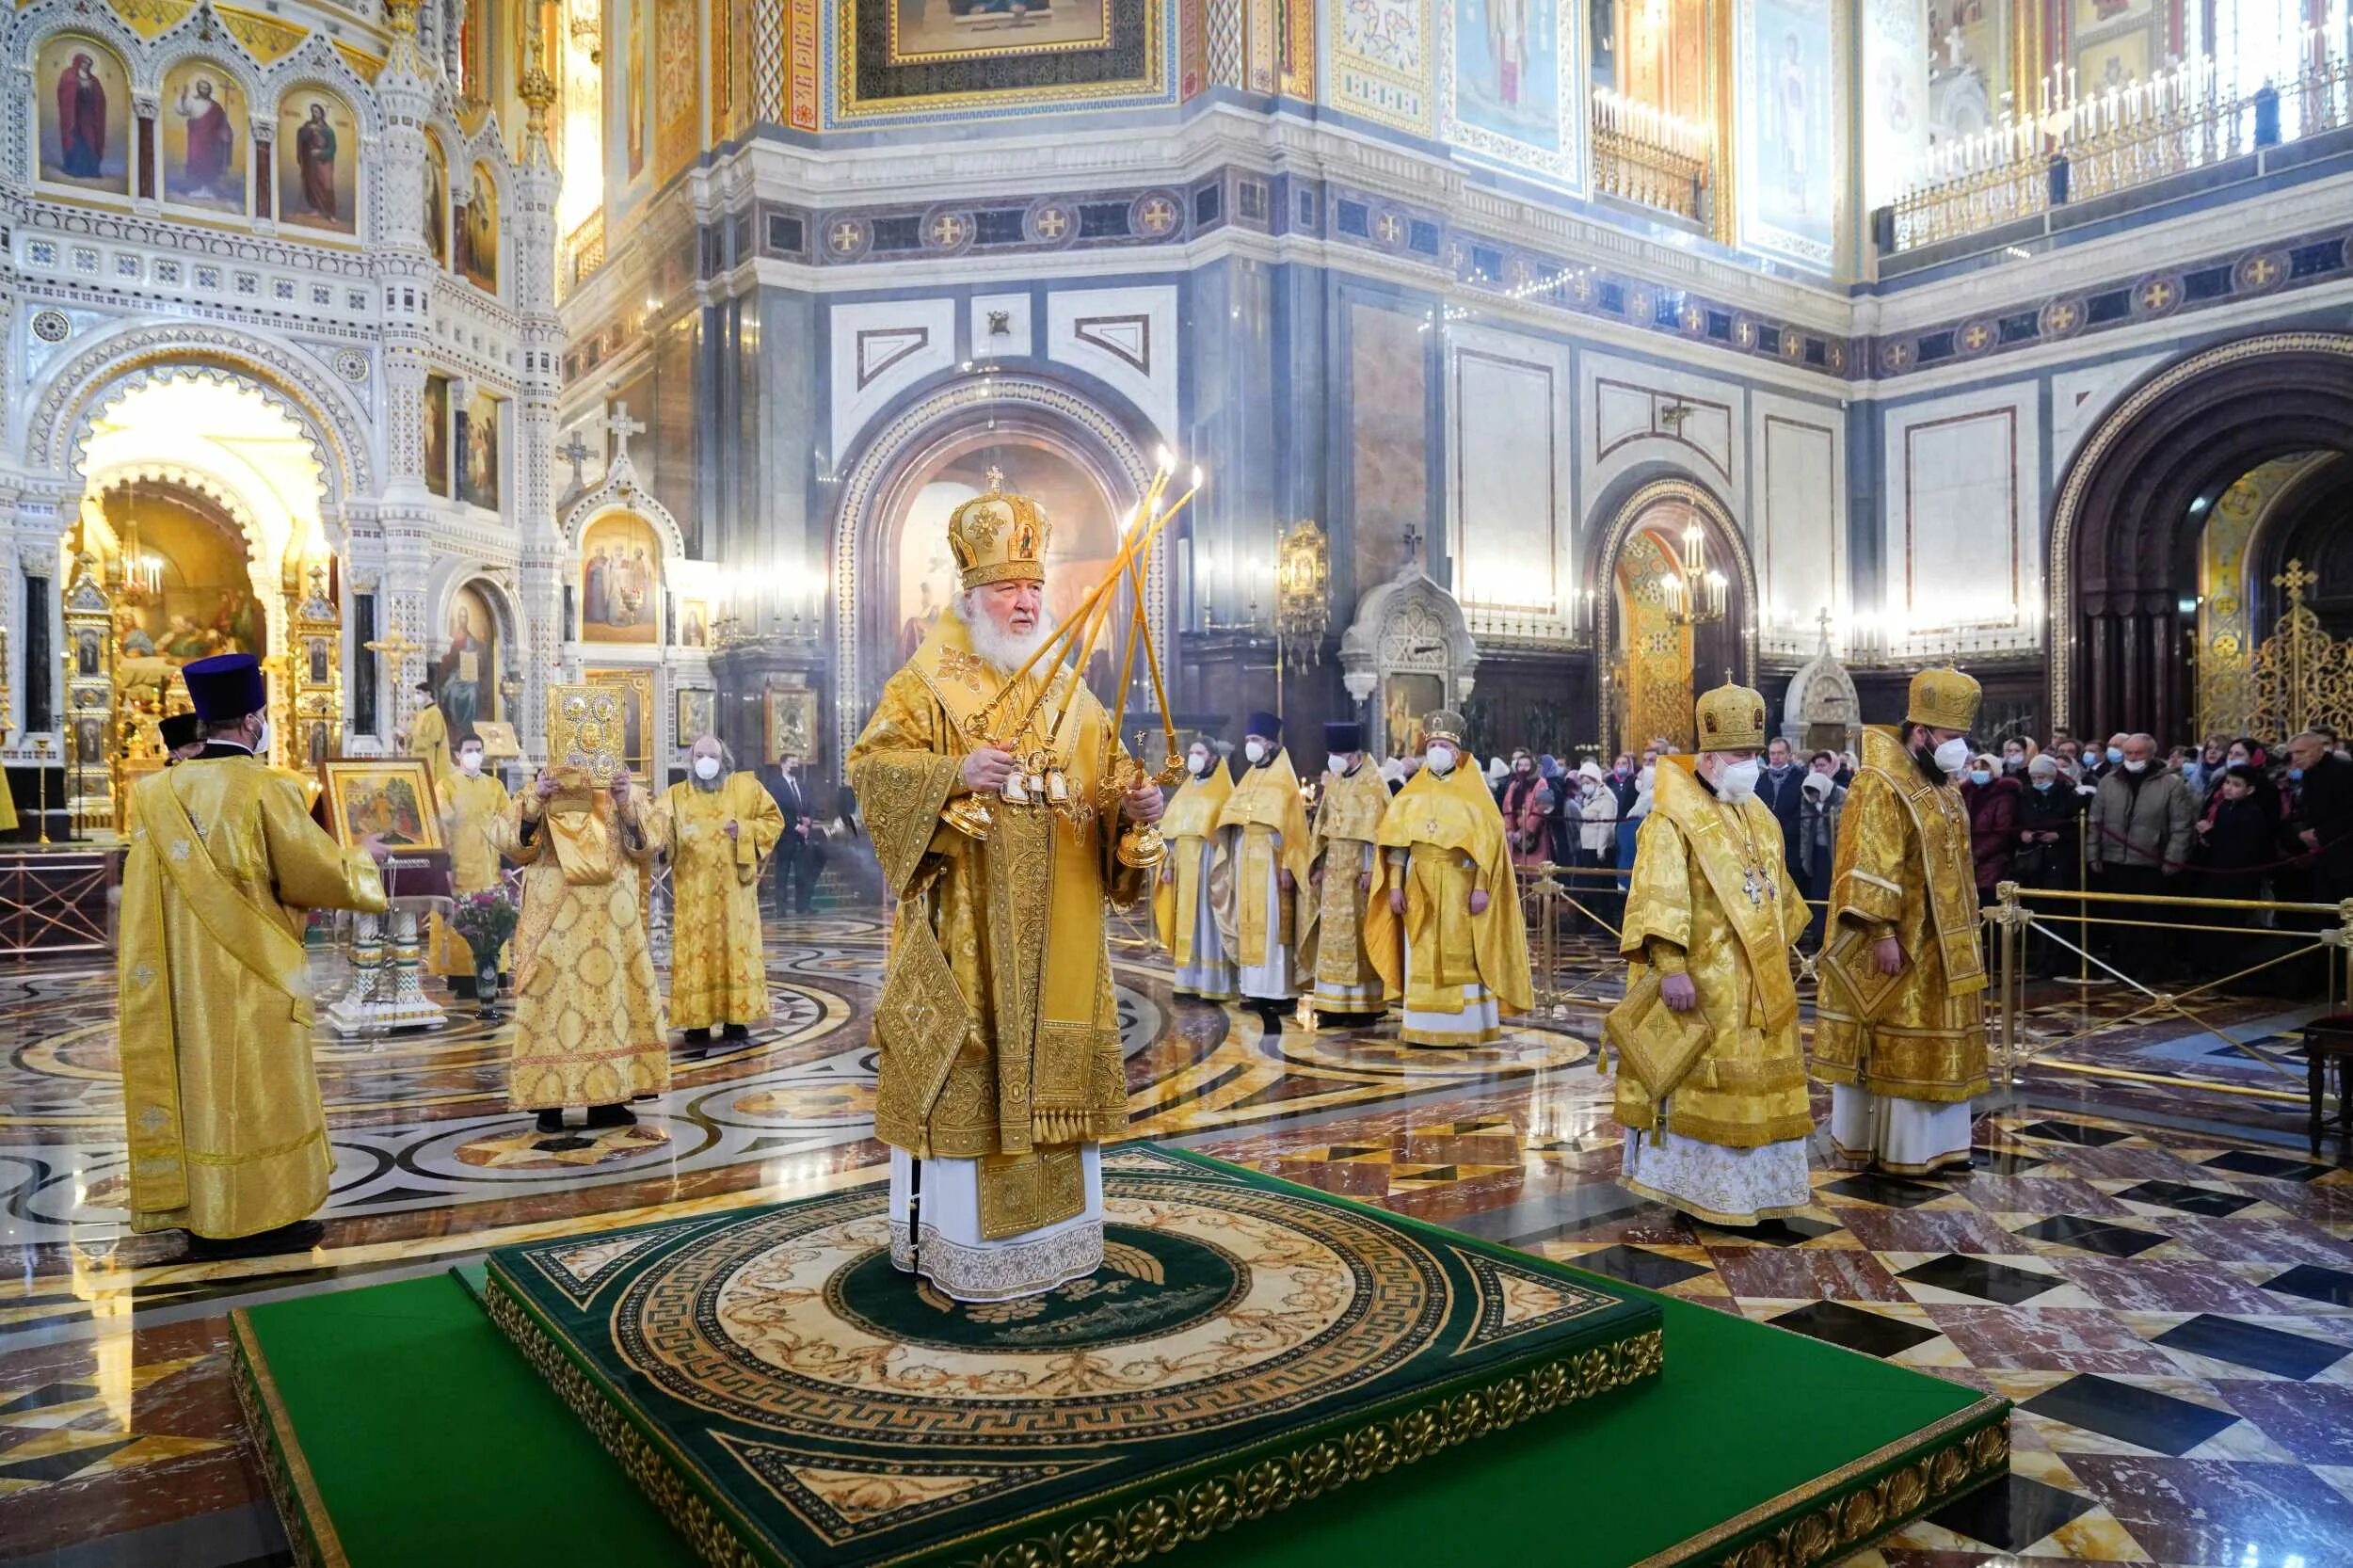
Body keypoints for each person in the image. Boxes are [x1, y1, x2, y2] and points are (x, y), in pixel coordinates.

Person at [845, 475, 1161, 1302]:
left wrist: (1136, 809)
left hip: (1062, 942)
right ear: (974, 595)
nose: (1025, 603)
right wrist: (954, 771)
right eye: (1007, 588)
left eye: (1033, 586)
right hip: (969, 938)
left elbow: (1108, 803)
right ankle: (965, 1250)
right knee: (971, 1071)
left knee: (1055, 1087)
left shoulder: (1071, 693)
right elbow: (872, 769)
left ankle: (1059, 1245)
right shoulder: (926, 683)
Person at [116, 653, 389, 1258]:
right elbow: (312, 874)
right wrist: (360, 857)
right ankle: (260, 1218)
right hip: (255, 973)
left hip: (181, 979)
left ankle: (202, 1211)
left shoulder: (157, 793)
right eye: (261, 714)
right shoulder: (266, 788)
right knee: (258, 1092)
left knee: (200, 1089)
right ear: (248, 721)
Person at [1611, 682, 1814, 1226]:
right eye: (1741, 756)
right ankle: (1705, 1191)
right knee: (1705, 1085)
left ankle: (1760, 1192)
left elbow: (1777, 893)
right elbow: (1658, 893)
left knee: (1761, 1085)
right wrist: (1671, 966)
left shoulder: (1760, 816)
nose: (1751, 764)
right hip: (1703, 984)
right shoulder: (1672, 818)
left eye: (1755, 753)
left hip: (1762, 982)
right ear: (1708, 757)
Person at [1812, 668, 1989, 1176]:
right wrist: (1882, 934)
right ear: (1922, 732)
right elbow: (1868, 863)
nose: (1959, 746)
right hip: (1901, 940)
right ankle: (1901, 1149)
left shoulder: (1943, 786)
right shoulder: (1879, 783)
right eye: (1952, 737)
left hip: (1947, 944)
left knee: (1945, 1038)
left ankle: (1944, 1146)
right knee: (1898, 1037)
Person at [490, 763, 668, 1135]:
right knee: (551, 1003)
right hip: (555, 915)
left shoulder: (625, 790)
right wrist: (538, 800)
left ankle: (608, 1100)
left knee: (611, 1005)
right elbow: (511, 845)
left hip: (611, 923)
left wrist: (624, 803)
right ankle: (548, 1100)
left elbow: (650, 845)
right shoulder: (536, 791)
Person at [1365, 710, 1533, 1046]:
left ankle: (1466, 1027)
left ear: (1456, 752)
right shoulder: (1410, 794)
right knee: (1422, 951)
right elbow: (1397, 847)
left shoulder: (1475, 793)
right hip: (1419, 885)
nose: (1437, 750)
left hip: (1461, 885)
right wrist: (1395, 887)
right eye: (1433, 744)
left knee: (1463, 954)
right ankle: (1422, 1025)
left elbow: (1489, 843)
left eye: (1444, 744)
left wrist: (1482, 887)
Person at [656, 735, 783, 1055]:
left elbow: (774, 820)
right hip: (694, 896)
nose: (706, 761)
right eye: (699, 755)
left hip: (734, 897)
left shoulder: (746, 789)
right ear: (691, 759)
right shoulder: (675, 796)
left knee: (733, 951)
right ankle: (696, 1022)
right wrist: (655, 841)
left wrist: (745, 830)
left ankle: (736, 1019)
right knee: (698, 953)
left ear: (724, 760)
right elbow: (657, 833)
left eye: (712, 756)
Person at [1215, 711, 1313, 1032]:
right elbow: (1232, 815)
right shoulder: (1248, 778)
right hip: (1245, 856)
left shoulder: (1284, 781)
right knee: (1248, 922)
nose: (1250, 746)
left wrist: (1287, 864)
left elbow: (1294, 830)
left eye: (1255, 741)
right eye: (1247, 741)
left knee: (1272, 925)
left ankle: (1278, 991)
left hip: (1272, 862)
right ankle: (1253, 989)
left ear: (1270, 743)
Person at [2088, 732, 2196, 981]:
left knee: (2150, 918)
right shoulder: (2109, 781)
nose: (2133, 758)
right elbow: (2095, 820)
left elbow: (2181, 825)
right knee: (2120, 916)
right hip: (2115, 859)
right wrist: (2093, 853)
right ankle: (2122, 965)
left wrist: (2173, 859)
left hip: (2151, 861)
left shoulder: (2171, 783)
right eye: (2128, 753)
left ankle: (2150, 967)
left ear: (2151, 753)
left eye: (2139, 753)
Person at [1304, 722, 1391, 1024]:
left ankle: (1363, 1006)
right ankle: (1330, 1004)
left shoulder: (1374, 783)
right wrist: (1317, 864)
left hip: (1359, 868)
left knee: (1358, 934)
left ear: (1354, 754)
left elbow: (1379, 832)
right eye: (1331, 753)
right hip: (1334, 868)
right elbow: (1322, 826)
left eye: (1337, 753)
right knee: (1332, 936)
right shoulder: (1337, 782)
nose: (1333, 758)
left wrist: (1371, 869)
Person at [1155, 734, 1237, 1002]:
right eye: (1192, 752)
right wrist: (1168, 864)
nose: (1194, 757)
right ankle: (1188, 981)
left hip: (1209, 861)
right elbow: (1174, 832)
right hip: (1184, 862)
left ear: (1213, 758)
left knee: (1207, 919)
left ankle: (1214, 984)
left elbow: (1227, 832)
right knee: (1186, 919)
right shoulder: (1187, 787)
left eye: (1200, 753)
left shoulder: (1223, 789)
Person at [429, 730, 513, 997]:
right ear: (457, 755)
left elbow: (507, 824)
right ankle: (463, 976)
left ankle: (494, 973)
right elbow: (439, 830)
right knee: (462, 916)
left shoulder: (495, 786)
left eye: (478, 750)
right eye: (468, 750)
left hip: (490, 863)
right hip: (459, 864)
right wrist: (443, 869)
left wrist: (508, 862)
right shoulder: (446, 786)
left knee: (492, 915)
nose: (474, 755)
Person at [2014, 754, 2085, 977]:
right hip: (2036, 861)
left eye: (2042, 776)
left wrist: (2059, 836)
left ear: (2052, 775)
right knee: (2039, 912)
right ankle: (2042, 959)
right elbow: (2019, 822)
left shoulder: (2069, 796)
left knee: (2060, 912)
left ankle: (2061, 959)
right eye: (2034, 777)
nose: (2037, 781)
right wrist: (2023, 833)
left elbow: (2078, 827)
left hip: (2061, 861)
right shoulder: (2026, 795)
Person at [2288, 728, 2353, 904]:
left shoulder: (2343, 771)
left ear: (2318, 749)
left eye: (2300, 752)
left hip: (2345, 856)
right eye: (2292, 753)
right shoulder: (2310, 773)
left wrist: (2319, 833)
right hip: (2323, 855)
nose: (2295, 758)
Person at [765, 748, 822, 916]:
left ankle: (802, 906)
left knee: (802, 873)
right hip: (786, 836)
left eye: (797, 763)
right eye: (792, 763)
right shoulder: (775, 786)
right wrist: (796, 826)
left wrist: (809, 819)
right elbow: (777, 810)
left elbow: (811, 805)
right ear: (783, 765)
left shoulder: (802, 785)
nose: (795, 766)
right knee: (782, 873)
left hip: (803, 837)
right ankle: (781, 908)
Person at [1962, 752, 2023, 900]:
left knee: (1987, 903)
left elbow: (2002, 832)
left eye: (1983, 768)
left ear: (1994, 771)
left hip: (1992, 861)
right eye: (1975, 768)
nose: (1978, 772)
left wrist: (1977, 854)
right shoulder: (1967, 792)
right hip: (1967, 858)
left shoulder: (2004, 795)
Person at [1796, 765, 1844, 943]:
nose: (1813, 797)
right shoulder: (1807, 802)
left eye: (1815, 792)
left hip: (1836, 854)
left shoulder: (1841, 796)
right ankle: (1818, 937)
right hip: (1816, 854)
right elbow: (1805, 831)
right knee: (1818, 895)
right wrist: (1804, 858)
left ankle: (1834, 938)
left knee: (1834, 895)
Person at [1756, 736, 1808, 888]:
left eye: (1780, 753)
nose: (1776, 757)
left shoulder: (1800, 778)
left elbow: (1802, 810)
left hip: (1791, 842)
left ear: (1788, 754)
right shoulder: (1761, 779)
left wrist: (1784, 830)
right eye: (1772, 754)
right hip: (1767, 842)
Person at [1500, 748, 1554, 871]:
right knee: (1517, 870)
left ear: (1533, 766)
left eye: (1527, 765)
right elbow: (1506, 807)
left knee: (1535, 869)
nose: (1523, 769)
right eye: (1520, 765)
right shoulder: (1514, 785)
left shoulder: (1542, 782)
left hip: (1535, 835)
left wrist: (1525, 831)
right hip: (1515, 833)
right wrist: (1508, 829)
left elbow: (1541, 808)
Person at [404, 681, 455, 792]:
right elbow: (415, 732)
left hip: (429, 757)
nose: (416, 696)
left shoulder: (434, 713)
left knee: (427, 788)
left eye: (419, 693)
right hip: (419, 756)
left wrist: (413, 740)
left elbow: (434, 737)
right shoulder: (423, 712)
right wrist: (405, 735)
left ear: (428, 693)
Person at [295, 101, 337, 220]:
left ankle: (330, 213)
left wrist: (321, 153)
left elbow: (332, 148)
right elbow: (302, 137)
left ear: (322, 113)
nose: (315, 114)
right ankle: (316, 209)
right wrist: (307, 130)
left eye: (317, 111)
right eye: (313, 112)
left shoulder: (328, 131)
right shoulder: (308, 125)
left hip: (324, 163)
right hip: (311, 163)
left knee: (326, 186)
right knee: (312, 184)